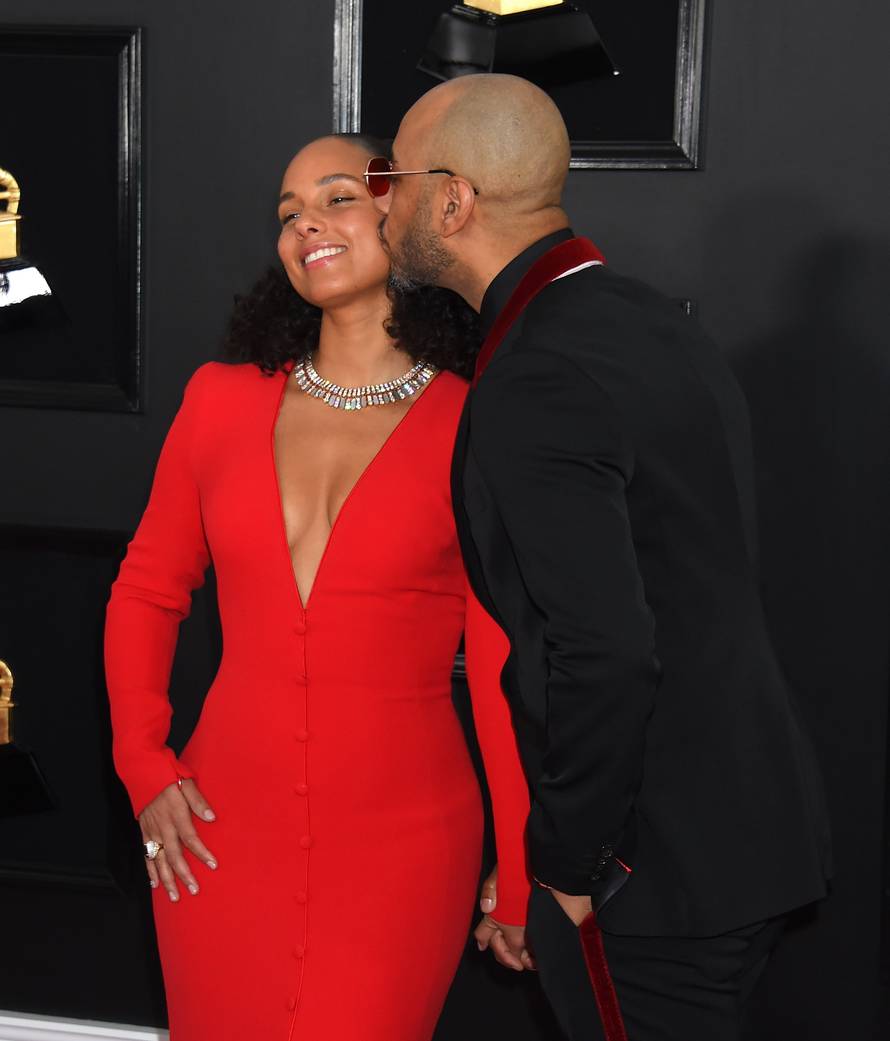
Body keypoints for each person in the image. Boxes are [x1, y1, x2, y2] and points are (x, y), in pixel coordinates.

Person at [371, 75, 832, 1041]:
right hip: (744, 834)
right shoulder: (647, 318)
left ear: (452, 201)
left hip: (652, 873)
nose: (381, 201)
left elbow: (606, 648)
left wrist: (571, 862)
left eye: (390, 177)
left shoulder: (536, 372)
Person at [104, 132, 532, 1041]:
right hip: (215, 831)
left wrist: (522, 860)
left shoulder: (475, 420)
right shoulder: (218, 399)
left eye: (337, 197)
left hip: (403, 840)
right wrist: (143, 762)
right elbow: (146, 588)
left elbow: (501, 661)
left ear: (402, 212)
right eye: (288, 212)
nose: (306, 225)